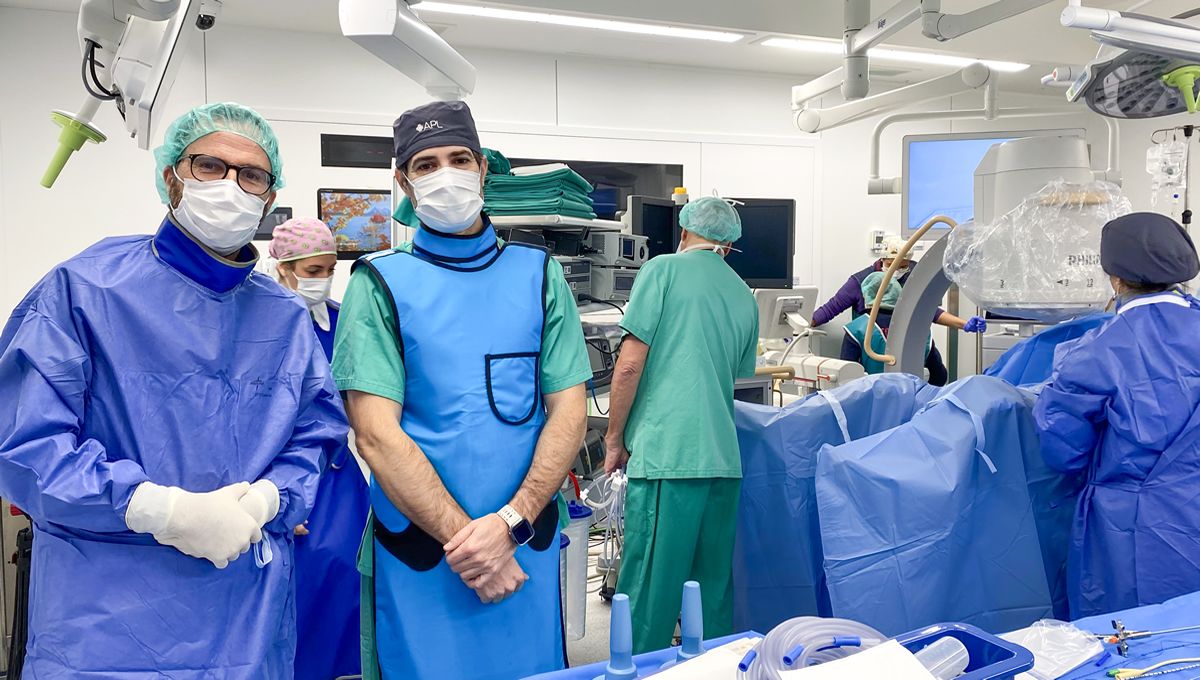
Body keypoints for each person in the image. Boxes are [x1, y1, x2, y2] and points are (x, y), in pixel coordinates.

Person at [0, 102, 346, 677]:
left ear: (267, 196)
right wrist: (156, 508)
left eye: (252, 175)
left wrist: (269, 500)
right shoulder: (84, 289)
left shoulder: (283, 317)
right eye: (211, 166)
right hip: (106, 623)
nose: (233, 185)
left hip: (247, 616)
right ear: (172, 177)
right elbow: (24, 445)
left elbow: (316, 435)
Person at [331, 100, 591, 680]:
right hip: (427, 551)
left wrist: (511, 525)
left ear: (482, 168)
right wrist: (470, 547)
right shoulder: (379, 285)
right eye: (425, 164)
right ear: (403, 181)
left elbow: (569, 411)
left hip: (523, 544)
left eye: (458, 158)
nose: (445, 173)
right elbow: (375, 435)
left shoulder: (538, 275)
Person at [604, 196, 759, 654]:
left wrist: (614, 439)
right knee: (710, 590)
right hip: (722, 462)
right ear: (728, 245)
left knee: (651, 588)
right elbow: (728, 376)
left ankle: (635, 667)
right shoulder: (742, 295)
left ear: (685, 231)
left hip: (669, 456)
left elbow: (630, 367)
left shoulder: (663, 270)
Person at [1035, 212, 1200, 618]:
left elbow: (1063, 452)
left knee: (1130, 643)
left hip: (1132, 528)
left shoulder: (1096, 352)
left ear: (1115, 277)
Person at [269, 218, 369, 680]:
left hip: (341, 472)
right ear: (283, 267)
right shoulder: (263, 325)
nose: (323, 278)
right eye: (312, 269)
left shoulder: (342, 318)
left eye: (330, 268)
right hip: (285, 473)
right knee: (297, 589)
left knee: (351, 577)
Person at [813, 234, 986, 386]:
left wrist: (964, 324)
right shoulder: (860, 281)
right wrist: (802, 326)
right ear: (882, 260)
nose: (898, 270)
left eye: (903, 266)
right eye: (892, 265)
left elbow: (931, 311)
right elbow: (829, 309)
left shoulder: (915, 277)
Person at [842, 271, 930, 374]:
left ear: (867, 294)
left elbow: (846, 375)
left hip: (870, 390)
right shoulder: (921, 330)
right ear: (899, 295)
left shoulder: (856, 330)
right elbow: (939, 376)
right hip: (912, 389)